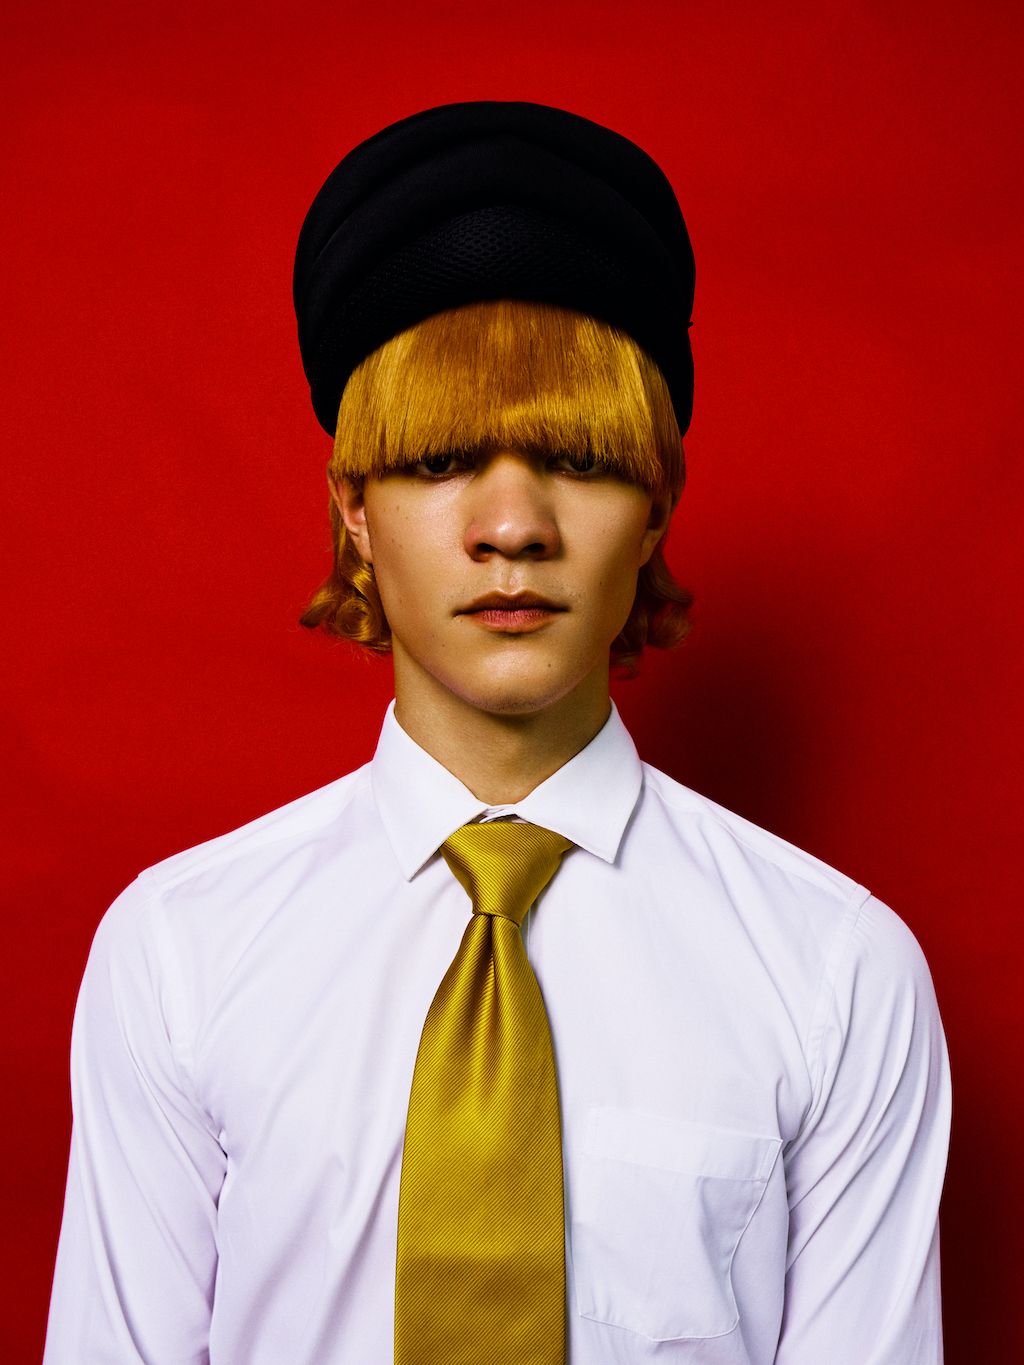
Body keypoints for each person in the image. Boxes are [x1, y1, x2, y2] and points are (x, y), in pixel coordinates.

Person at [43, 101, 951, 1364]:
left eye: (577, 458)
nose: (512, 526)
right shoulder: (179, 952)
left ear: (655, 505)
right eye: (441, 461)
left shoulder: (836, 973)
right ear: (354, 509)